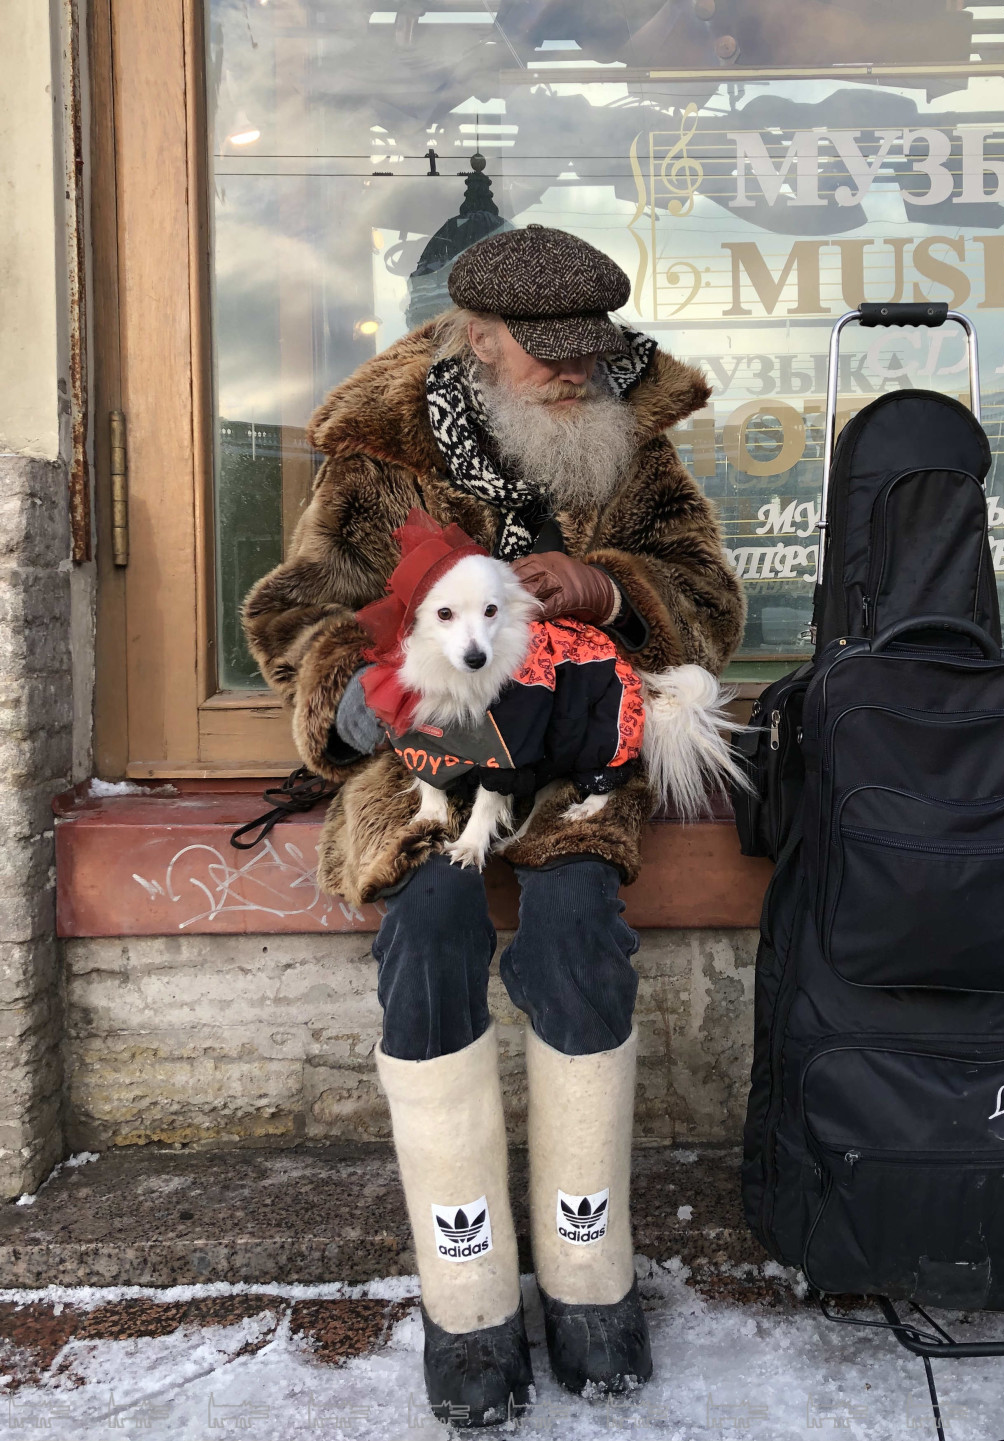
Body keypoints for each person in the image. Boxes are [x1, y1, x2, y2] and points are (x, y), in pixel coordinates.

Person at [242, 224, 745, 1427]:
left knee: (574, 917)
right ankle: (465, 1296)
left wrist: (616, 588)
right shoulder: (378, 451)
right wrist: (350, 690)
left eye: (594, 349)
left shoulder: (632, 437)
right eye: (548, 353)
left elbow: (711, 598)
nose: (578, 374)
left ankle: (588, 1275)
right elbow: (294, 610)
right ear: (479, 338)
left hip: (573, 757)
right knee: (430, 918)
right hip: (428, 755)